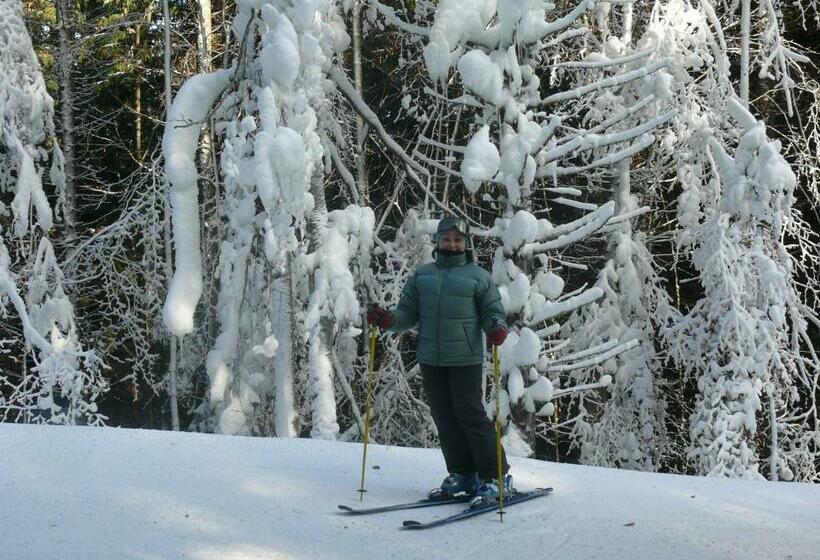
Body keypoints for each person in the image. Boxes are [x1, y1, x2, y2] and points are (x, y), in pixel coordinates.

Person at [367, 216, 512, 504]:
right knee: (444, 418)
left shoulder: (477, 277)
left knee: (471, 416)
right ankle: (463, 473)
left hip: (465, 358)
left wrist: (496, 327)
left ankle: (497, 476)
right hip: (431, 358)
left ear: (466, 244)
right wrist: (387, 319)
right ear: (437, 242)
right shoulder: (422, 276)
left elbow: (492, 310)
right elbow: (406, 315)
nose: (452, 244)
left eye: (458, 239)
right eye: (446, 239)